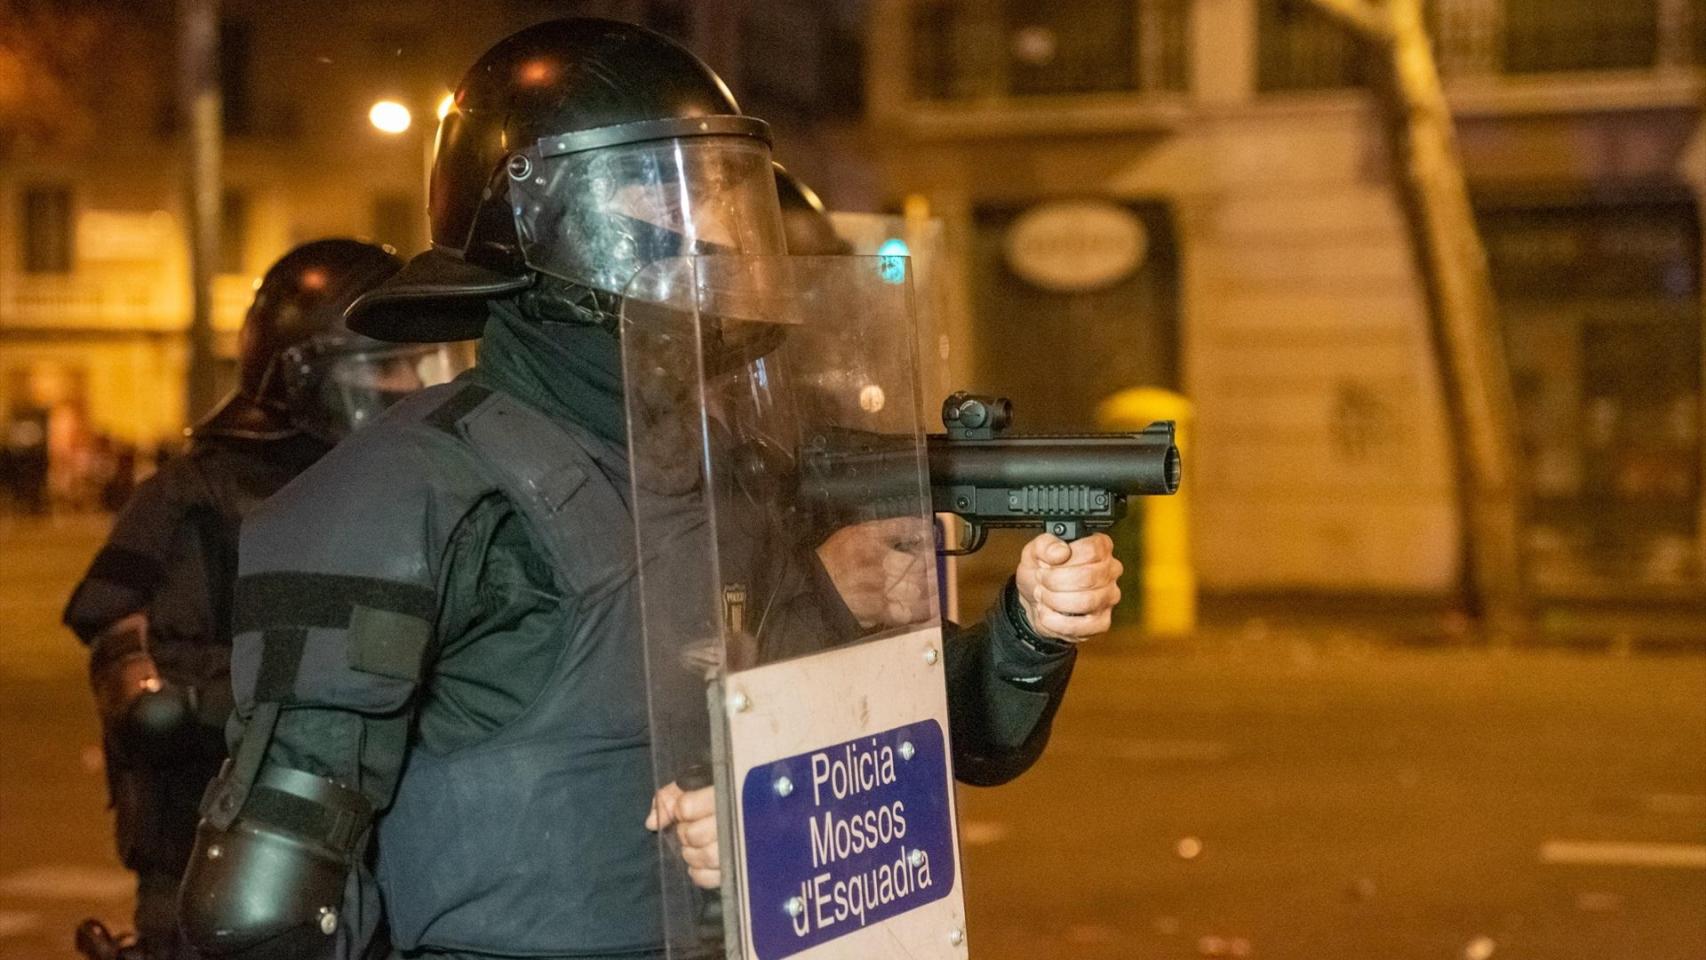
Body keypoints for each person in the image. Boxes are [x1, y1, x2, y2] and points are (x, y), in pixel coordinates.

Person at [180, 19, 1122, 960]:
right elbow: (262, 910)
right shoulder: (404, 492)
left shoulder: (730, 465)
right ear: (540, 217)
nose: (718, 229)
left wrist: (1029, 630)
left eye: (723, 190)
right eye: (667, 189)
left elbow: (896, 743)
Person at [63, 238, 467, 960]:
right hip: (222, 863)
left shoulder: (400, 489)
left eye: (420, 364)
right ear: (302, 373)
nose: (410, 385)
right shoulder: (200, 496)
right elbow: (149, 699)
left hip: (382, 864)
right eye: (385, 366)